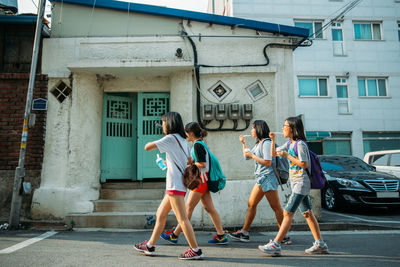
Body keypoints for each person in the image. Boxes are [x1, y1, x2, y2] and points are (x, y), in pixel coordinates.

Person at [133, 112, 203, 260]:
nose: (162, 125)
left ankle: (195, 250)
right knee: (161, 214)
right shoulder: (182, 140)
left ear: (169, 124)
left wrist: (160, 140)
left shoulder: (170, 138)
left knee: (182, 219)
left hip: (175, 185)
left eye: (163, 123)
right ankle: (150, 245)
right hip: (177, 185)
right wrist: (169, 163)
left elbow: (147, 147)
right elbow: (188, 159)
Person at [258, 116, 329, 256]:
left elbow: (304, 164)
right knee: (307, 214)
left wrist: (287, 156)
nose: (283, 128)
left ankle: (276, 244)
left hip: (302, 183)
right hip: (296, 183)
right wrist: (272, 140)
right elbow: (273, 154)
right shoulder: (289, 144)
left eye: (285, 126)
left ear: (292, 128)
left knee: (287, 212)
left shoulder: (300, 144)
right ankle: (320, 244)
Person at [160, 122, 228, 245]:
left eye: (186, 132)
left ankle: (175, 235)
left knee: (187, 209)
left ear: (190, 133)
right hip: (204, 180)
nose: (185, 135)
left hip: (200, 181)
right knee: (209, 208)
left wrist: (189, 164)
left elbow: (202, 164)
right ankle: (221, 235)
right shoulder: (200, 144)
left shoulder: (197, 145)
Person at [229, 120, 290, 244]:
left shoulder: (266, 143)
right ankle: (244, 232)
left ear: (259, 129)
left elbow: (268, 162)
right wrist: (243, 144)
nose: (251, 131)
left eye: (253, 128)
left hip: (268, 177)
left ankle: (283, 236)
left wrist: (252, 156)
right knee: (251, 204)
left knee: (276, 207)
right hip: (262, 178)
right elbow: (247, 156)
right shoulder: (259, 143)